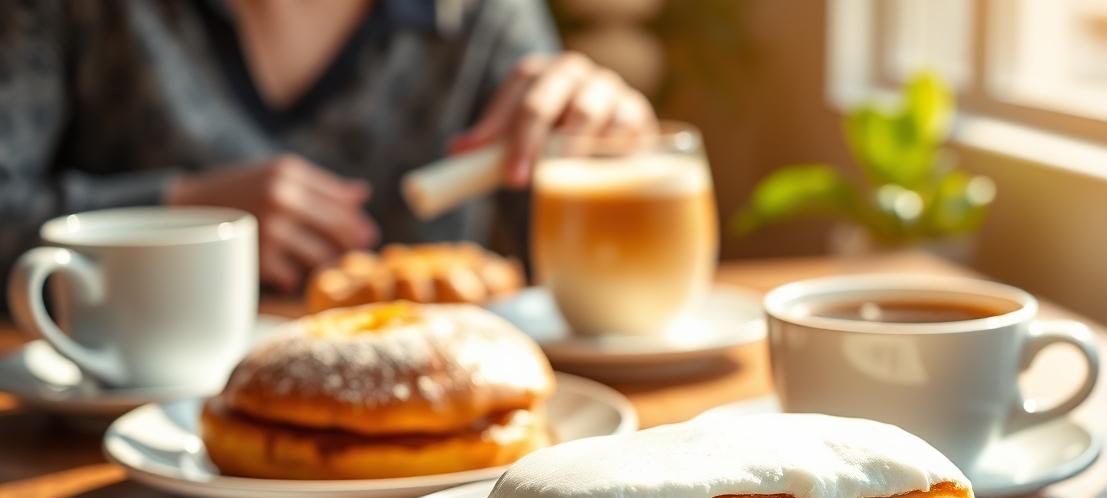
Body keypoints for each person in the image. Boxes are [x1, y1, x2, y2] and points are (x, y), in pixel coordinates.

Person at [0, 0, 654, 298]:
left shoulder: (481, 16)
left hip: (435, 465)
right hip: (101, 445)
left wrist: (617, 160)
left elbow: (587, 283)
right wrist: (183, 210)